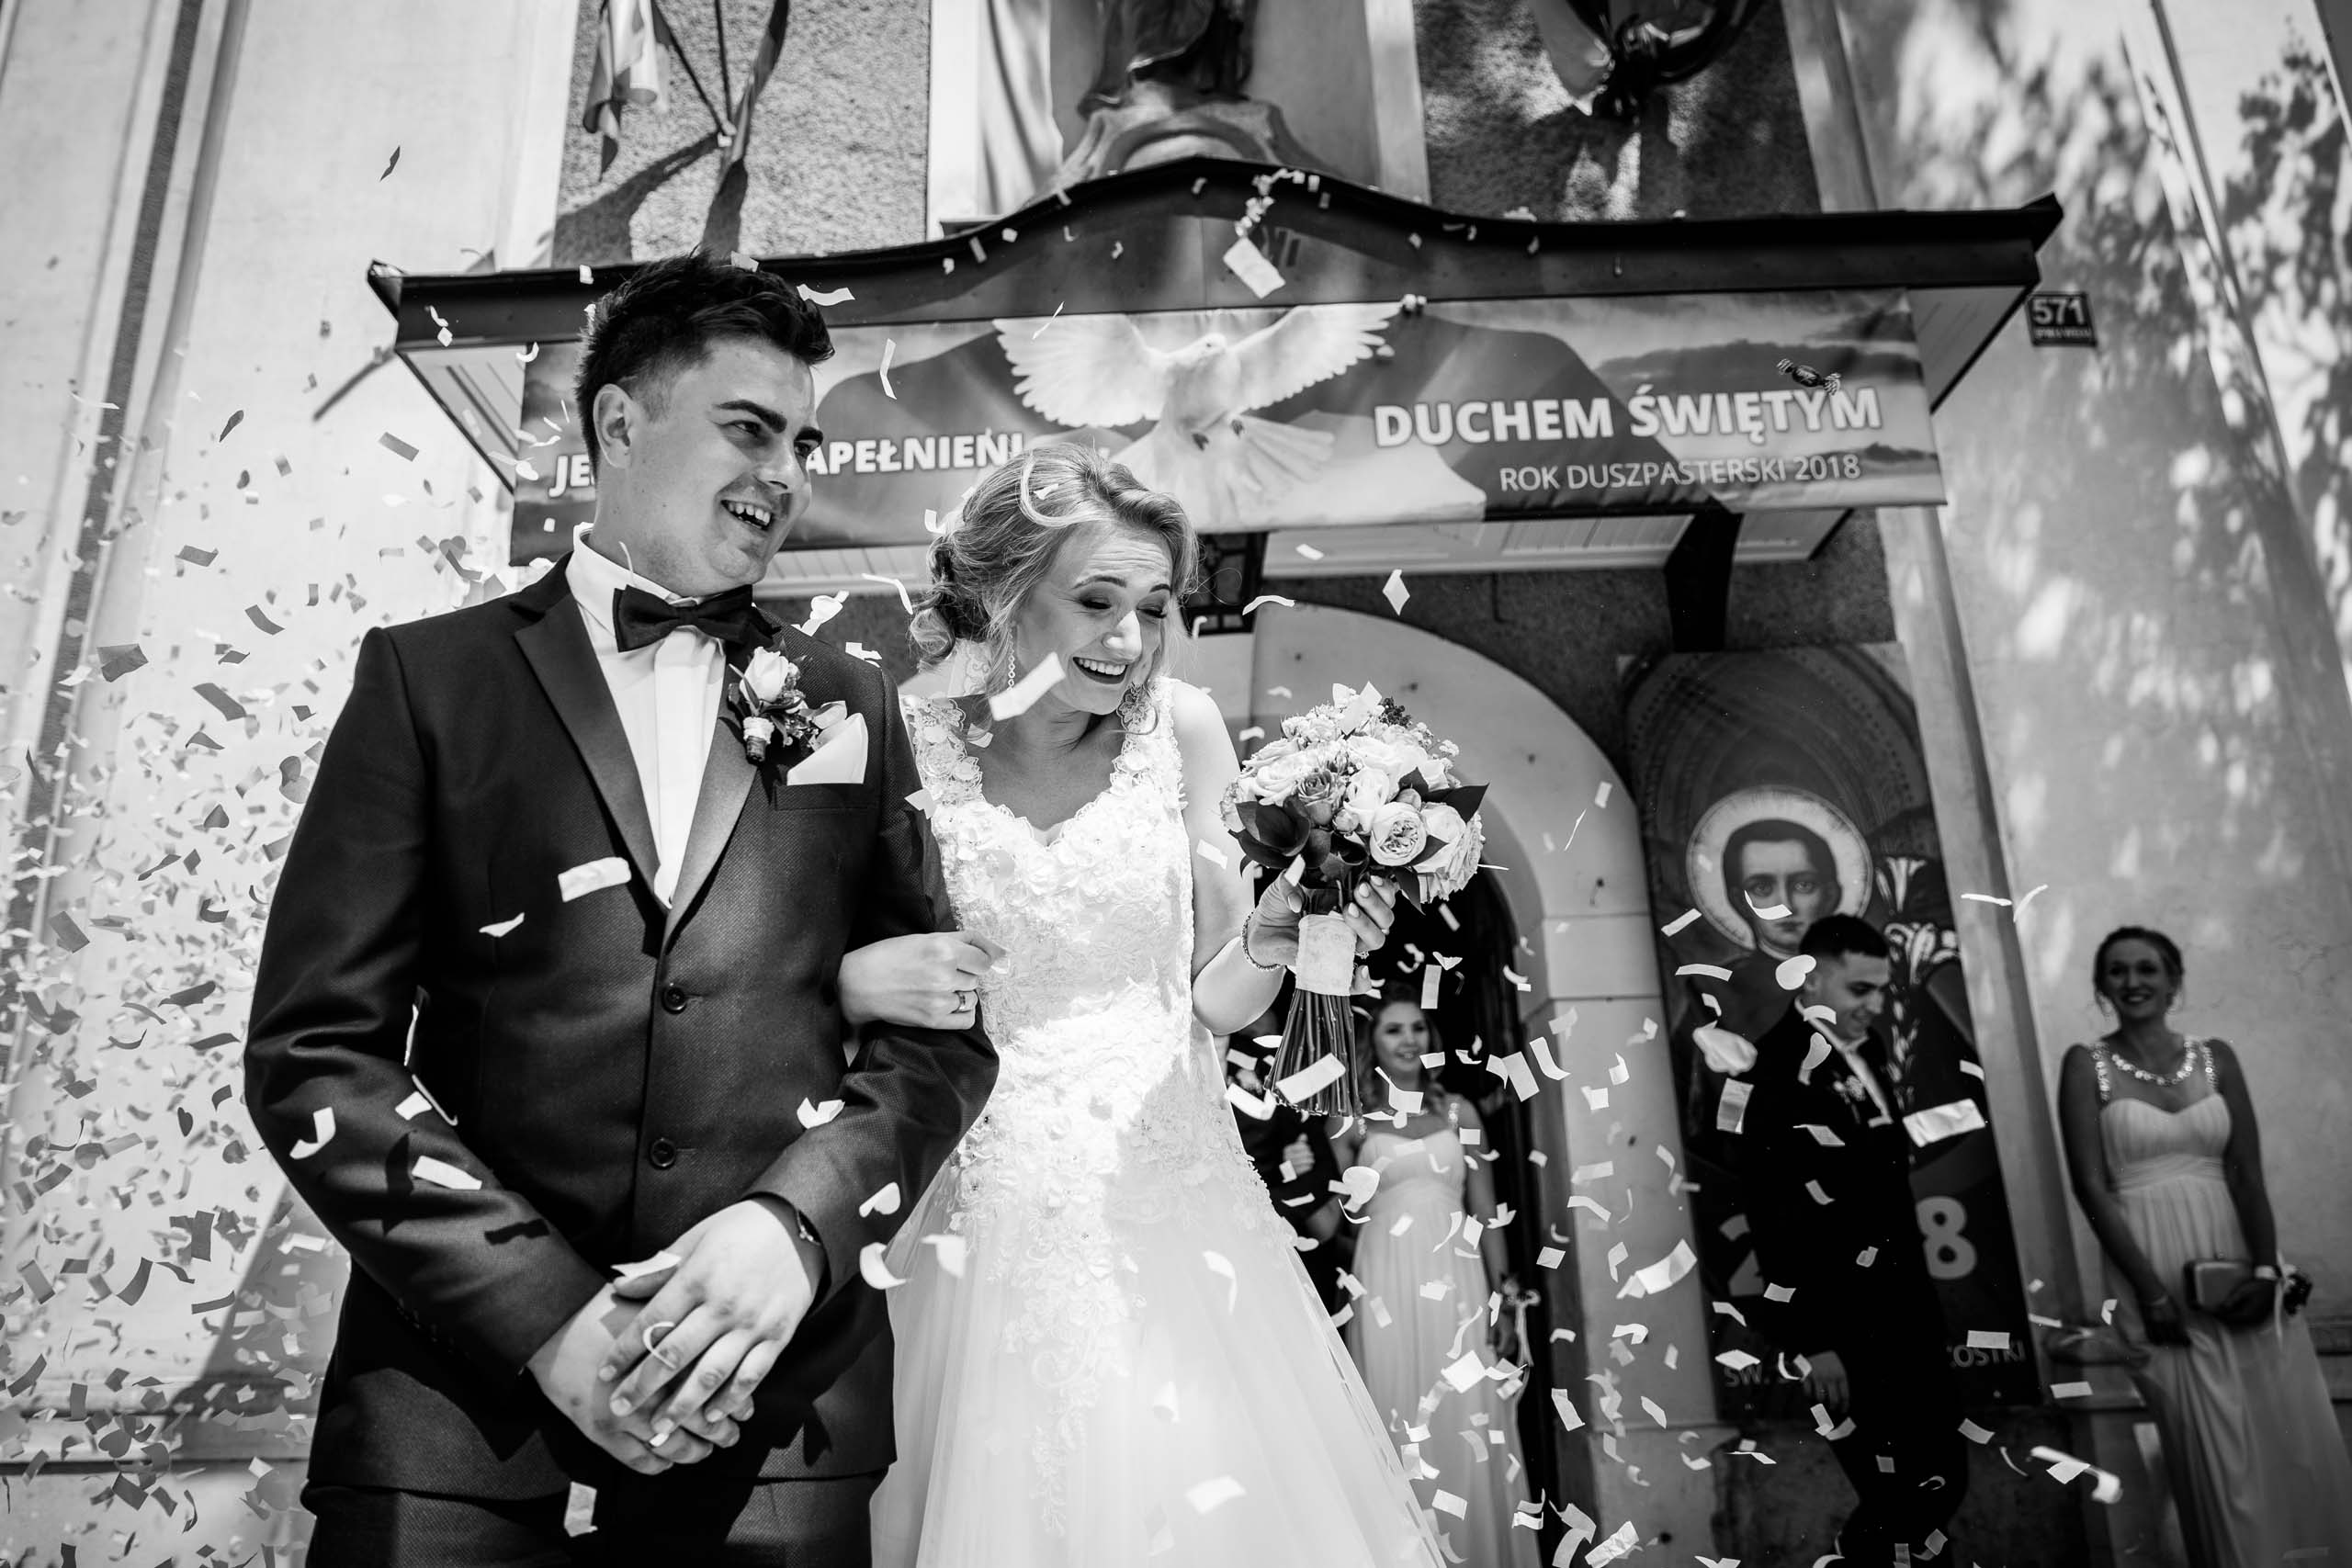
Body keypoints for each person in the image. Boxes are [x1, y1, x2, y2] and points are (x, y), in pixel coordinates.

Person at [244, 253, 998, 1564]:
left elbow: (940, 1032)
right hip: (451, 1412)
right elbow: (317, 1050)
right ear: (619, 421)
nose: (787, 473)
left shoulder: (852, 701)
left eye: (804, 443)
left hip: (772, 1409)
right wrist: (546, 1313)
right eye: (750, 428)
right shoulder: (428, 680)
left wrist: (796, 1228)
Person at [849, 442, 1442, 1565]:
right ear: (1003, 592)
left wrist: (1274, 935)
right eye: (1096, 601)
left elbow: (1216, 1000)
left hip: (1167, 1188)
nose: (1128, 638)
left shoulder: (1184, 729)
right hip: (971, 1186)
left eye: (1154, 607)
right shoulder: (904, 742)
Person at [2056, 927, 2352, 1567]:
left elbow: (2247, 1172)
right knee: (2205, 1448)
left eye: (2147, 968)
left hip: (2236, 1266)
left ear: (2174, 980)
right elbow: (2090, 1186)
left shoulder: (2217, 1058)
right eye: (2117, 971)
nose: (2133, 981)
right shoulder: (2085, 1065)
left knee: (2277, 1438)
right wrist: (2150, 1292)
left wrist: (2267, 1272)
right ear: (2101, 986)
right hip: (2151, 1273)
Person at [1724, 914, 1966, 1567]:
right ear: (1810, 978)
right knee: (1899, 1493)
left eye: (1882, 989)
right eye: (1860, 989)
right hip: (1842, 1326)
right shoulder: (1773, 1068)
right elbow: (1774, 1212)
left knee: (1941, 1477)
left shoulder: (1873, 1050)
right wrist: (1812, 1340)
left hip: (1906, 1310)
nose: (1875, 1004)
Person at [1331, 995, 1539, 1568]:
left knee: (1465, 1408)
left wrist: (1504, 1301)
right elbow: (1337, 1219)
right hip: (1384, 1280)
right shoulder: (1351, 1121)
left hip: (1458, 1277)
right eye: (1393, 1030)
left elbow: (1487, 1213)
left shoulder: (1459, 1114)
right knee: (1395, 1406)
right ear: (1371, 1043)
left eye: (1418, 1028)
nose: (1408, 1040)